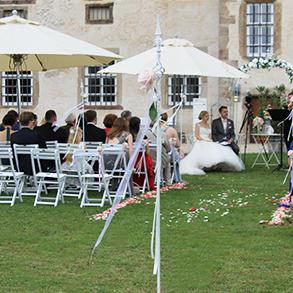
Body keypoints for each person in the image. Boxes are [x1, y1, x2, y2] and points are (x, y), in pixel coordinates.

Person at [180, 110, 245, 175]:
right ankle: (204, 165)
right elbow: (197, 136)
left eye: (208, 116)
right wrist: (205, 140)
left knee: (219, 147)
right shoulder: (198, 124)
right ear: (202, 117)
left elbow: (210, 135)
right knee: (206, 147)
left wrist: (211, 140)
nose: (208, 117)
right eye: (206, 116)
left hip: (209, 140)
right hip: (201, 140)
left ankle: (216, 165)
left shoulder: (208, 125)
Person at [129, 116, 155, 190]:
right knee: (149, 159)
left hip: (129, 160)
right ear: (139, 125)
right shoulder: (143, 136)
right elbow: (147, 152)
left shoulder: (127, 135)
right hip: (140, 161)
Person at [160, 112, 182, 183]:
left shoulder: (153, 129)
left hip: (155, 154)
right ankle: (176, 177)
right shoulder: (171, 130)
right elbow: (178, 144)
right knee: (176, 156)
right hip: (167, 154)